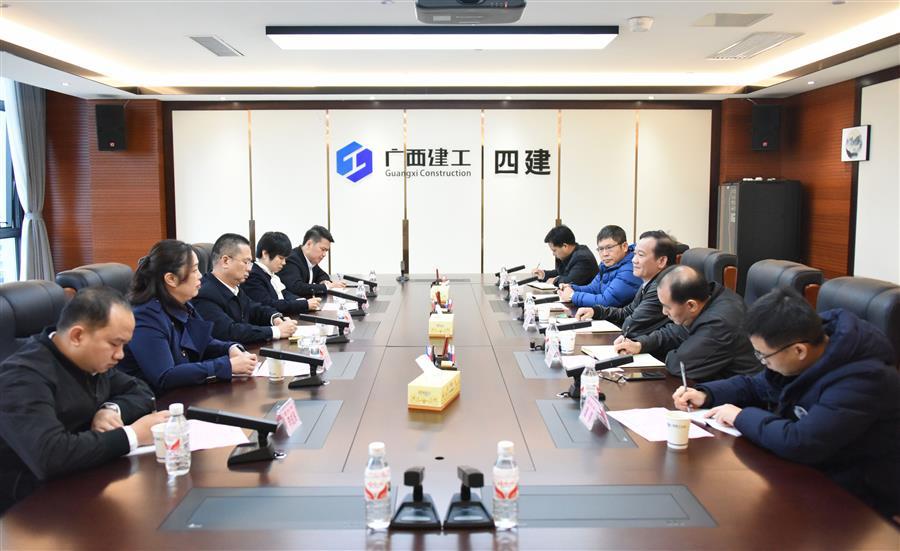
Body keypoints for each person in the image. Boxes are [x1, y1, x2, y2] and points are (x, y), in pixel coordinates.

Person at [673, 288, 899, 519]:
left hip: (857, 501)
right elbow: (757, 385)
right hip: (806, 473)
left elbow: (801, 441)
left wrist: (740, 416)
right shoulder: (806, 349)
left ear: (799, 351)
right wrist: (706, 394)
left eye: (763, 356)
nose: (762, 362)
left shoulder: (863, 379)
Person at [0, 287, 168, 514]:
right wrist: (133, 435)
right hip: (29, 509)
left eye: (124, 345)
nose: (120, 355)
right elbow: (50, 455)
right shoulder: (22, 376)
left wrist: (110, 409)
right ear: (77, 336)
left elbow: (142, 391)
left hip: (84, 479)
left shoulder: (89, 360)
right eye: (114, 344)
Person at [118, 239, 259, 394]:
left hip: (186, 392)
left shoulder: (183, 304)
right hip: (157, 401)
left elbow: (204, 342)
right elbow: (165, 376)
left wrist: (230, 348)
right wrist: (227, 366)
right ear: (171, 279)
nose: (200, 275)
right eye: (194, 270)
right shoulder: (145, 316)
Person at [614, 265, 760, 381]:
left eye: (667, 307)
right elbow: (676, 332)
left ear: (691, 305)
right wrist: (640, 344)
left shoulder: (719, 322)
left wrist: (677, 350)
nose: (664, 312)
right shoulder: (708, 298)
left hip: (738, 399)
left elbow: (679, 365)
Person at [193, 233, 298, 344]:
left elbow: (254, 309)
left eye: (250, 263)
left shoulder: (234, 287)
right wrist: (276, 331)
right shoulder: (204, 293)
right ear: (225, 261)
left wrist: (275, 318)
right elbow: (230, 332)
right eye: (245, 262)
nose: (249, 269)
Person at [574, 230, 677, 340]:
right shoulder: (649, 282)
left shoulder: (661, 288)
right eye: (635, 254)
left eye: (640, 255)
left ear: (661, 261)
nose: (633, 260)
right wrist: (596, 311)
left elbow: (631, 326)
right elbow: (627, 312)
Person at [557, 225, 641, 308]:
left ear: (624, 247)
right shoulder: (607, 264)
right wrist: (572, 287)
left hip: (619, 316)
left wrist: (572, 295)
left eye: (609, 248)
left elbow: (606, 301)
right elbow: (593, 288)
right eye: (600, 249)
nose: (604, 254)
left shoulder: (631, 269)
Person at [242, 231, 321, 315]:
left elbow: (285, 293)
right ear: (265, 253)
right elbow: (268, 304)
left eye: (285, 259)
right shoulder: (253, 276)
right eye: (281, 258)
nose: (284, 263)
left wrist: (302, 301)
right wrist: (304, 304)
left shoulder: (271, 274)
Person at [279, 225, 346, 298]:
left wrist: (324, 281)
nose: (324, 254)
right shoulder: (292, 259)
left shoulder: (310, 260)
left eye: (326, 251)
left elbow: (322, 275)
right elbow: (296, 287)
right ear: (309, 244)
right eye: (322, 249)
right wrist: (326, 286)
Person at [532, 225, 598, 286]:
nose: (553, 254)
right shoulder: (570, 254)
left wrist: (555, 280)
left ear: (565, 246)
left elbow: (571, 281)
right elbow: (560, 272)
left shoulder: (582, 258)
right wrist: (543, 274)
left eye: (554, 250)